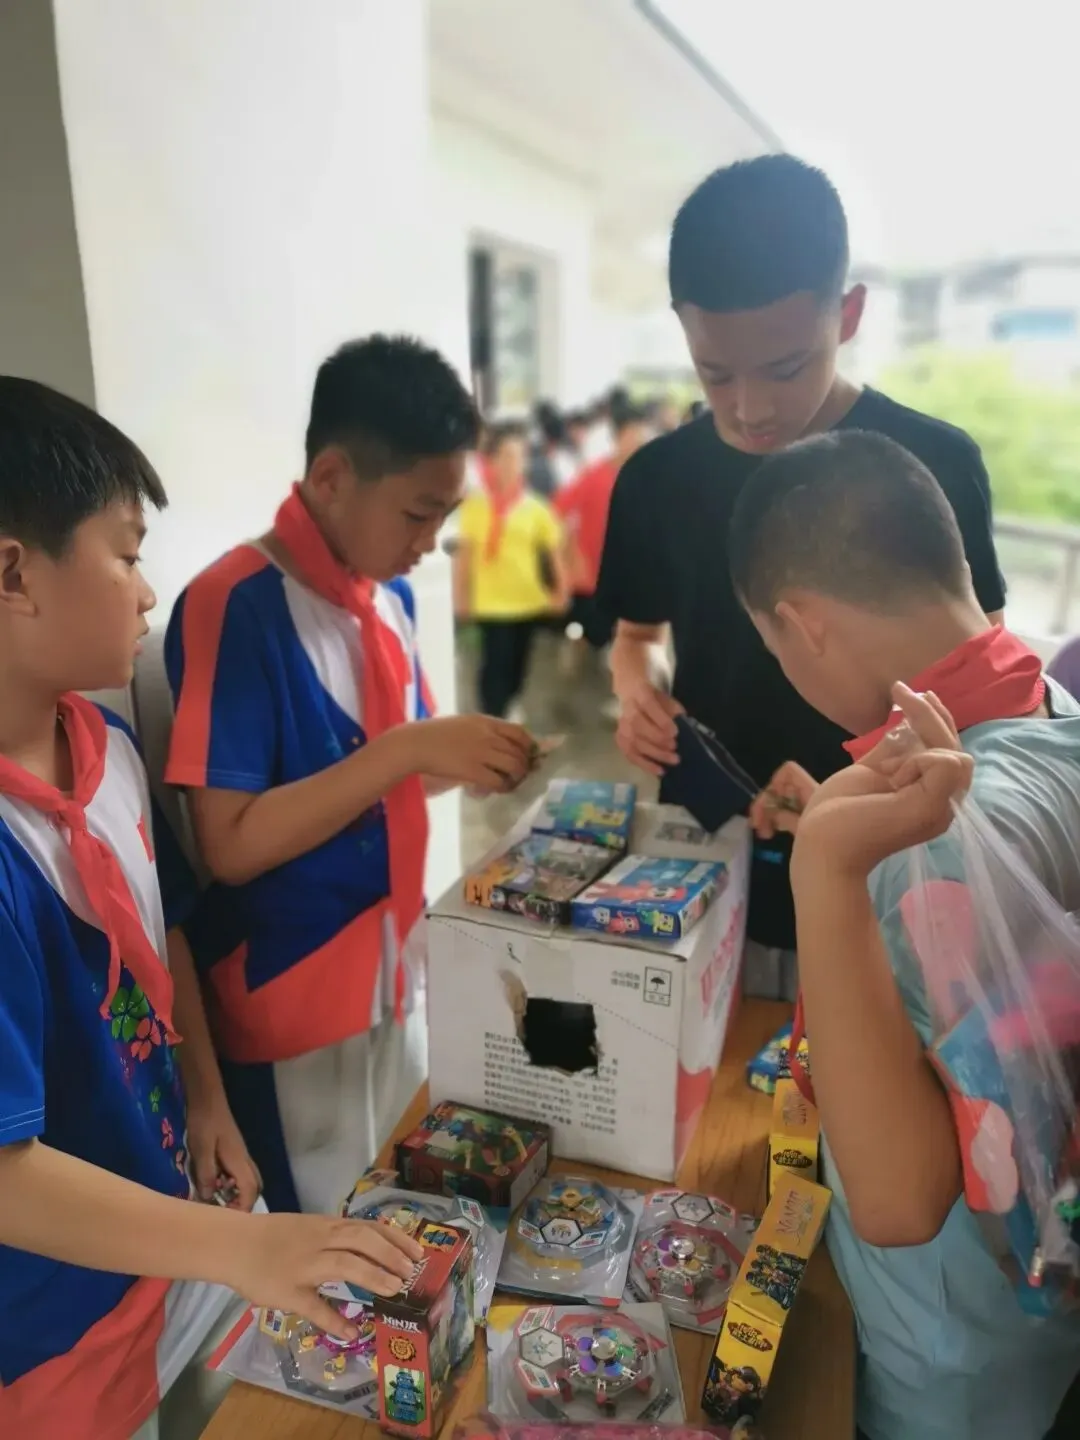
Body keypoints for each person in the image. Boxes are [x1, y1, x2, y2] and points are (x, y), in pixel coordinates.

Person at [0, 378, 424, 1440]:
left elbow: (162, 933)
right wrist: (246, 1248)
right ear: (14, 574)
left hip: (176, 1226)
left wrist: (205, 1099)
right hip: (53, 1322)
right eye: (126, 554)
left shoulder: (106, 750)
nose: (148, 594)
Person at [731, 429, 1080, 1440]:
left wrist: (828, 871)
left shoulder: (924, 850)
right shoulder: (1055, 710)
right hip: (1042, 1318)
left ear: (802, 625)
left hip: (948, 1368)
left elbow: (897, 1202)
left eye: (775, 650)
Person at [597, 155, 1006, 1002]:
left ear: (847, 313)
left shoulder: (929, 464)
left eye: (785, 368)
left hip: (892, 867)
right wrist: (637, 696)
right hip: (709, 853)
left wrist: (856, 800)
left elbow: (987, 683)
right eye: (715, 373)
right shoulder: (655, 480)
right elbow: (635, 638)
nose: (749, 408)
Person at [165, 337, 534, 1217]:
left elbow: (392, 784)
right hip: (287, 1001)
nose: (430, 543)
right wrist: (407, 750)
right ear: (331, 477)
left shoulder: (388, 601)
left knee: (396, 1202)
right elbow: (229, 844)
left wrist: (462, 760)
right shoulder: (236, 603)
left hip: (393, 973)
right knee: (321, 1231)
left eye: (444, 515)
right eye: (417, 514)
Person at [454, 420, 569, 720]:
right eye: (505, 456)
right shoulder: (475, 507)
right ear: (491, 461)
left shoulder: (537, 508)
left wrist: (561, 590)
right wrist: (461, 597)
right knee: (495, 663)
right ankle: (492, 714)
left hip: (527, 600)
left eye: (519, 456)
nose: (512, 463)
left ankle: (510, 702)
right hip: (490, 603)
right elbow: (464, 556)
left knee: (519, 662)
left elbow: (554, 554)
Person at [555, 401, 651, 651]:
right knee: (596, 641)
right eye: (632, 435)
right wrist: (569, 554)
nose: (638, 442)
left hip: (634, 579)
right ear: (617, 437)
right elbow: (558, 512)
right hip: (594, 578)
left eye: (641, 436)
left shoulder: (649, 477)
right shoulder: (594, 476)